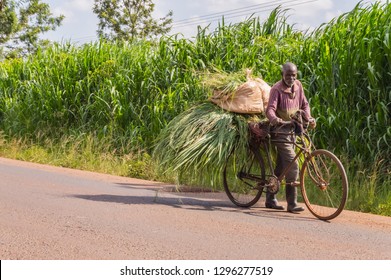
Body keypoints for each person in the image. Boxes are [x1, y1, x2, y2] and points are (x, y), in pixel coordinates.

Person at [265, 62, 316, 212]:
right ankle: (292, 203)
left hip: (293, 131)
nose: (291, 78)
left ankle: (270, 199)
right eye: (288, 75)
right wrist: (275, 120)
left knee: (282, 166)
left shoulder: (298, 86)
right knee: (293, 165)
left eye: (294, 75)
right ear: (282, 74)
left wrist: (309, 118)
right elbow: (270, 110)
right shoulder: (276, 89)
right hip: (280, 132)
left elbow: (304, 104)